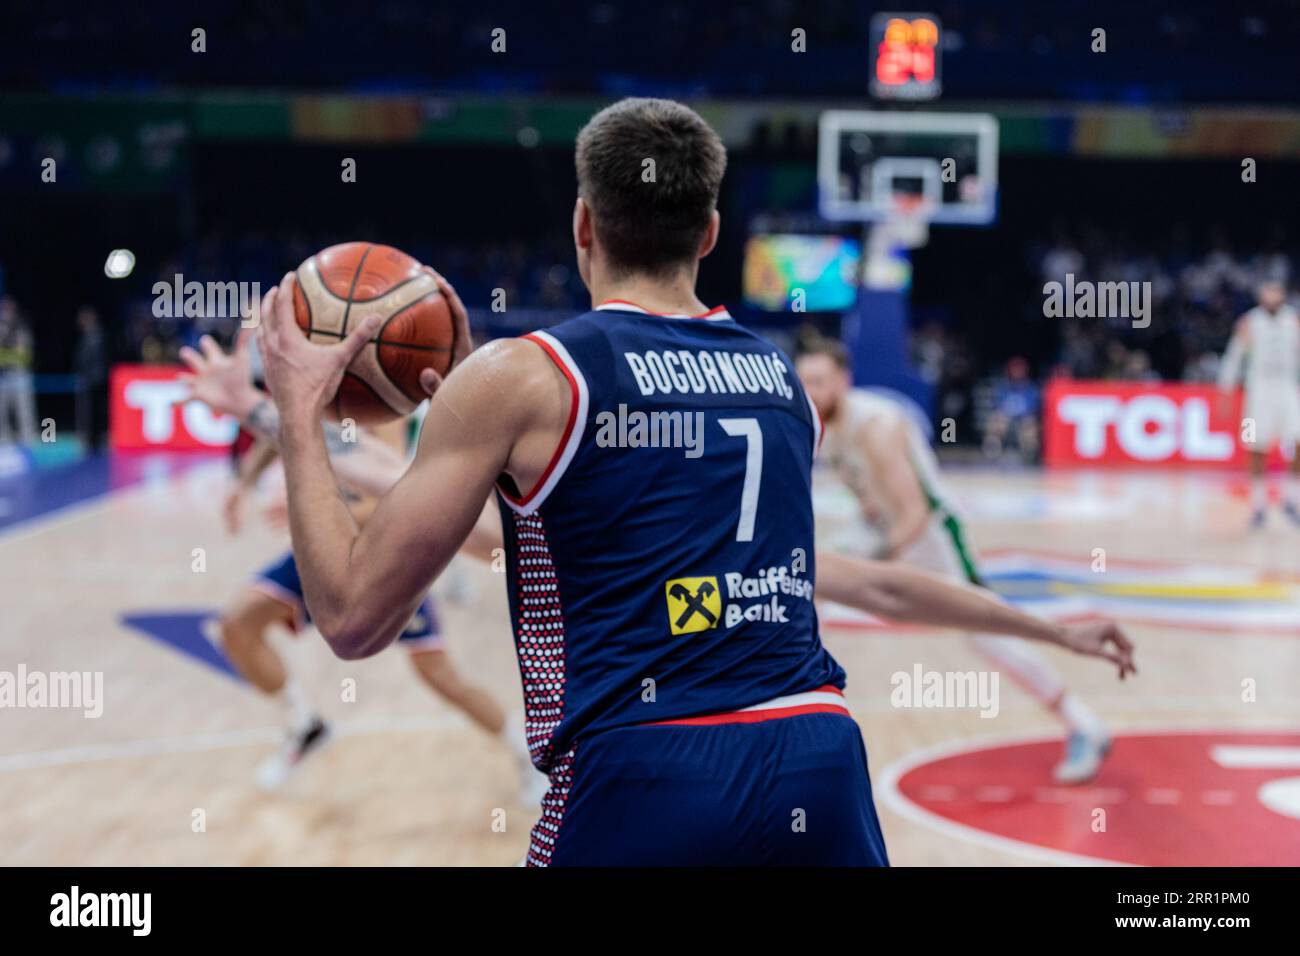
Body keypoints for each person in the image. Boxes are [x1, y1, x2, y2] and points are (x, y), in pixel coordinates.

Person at [232, 98, 1133, 866]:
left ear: (583, 224)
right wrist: (1051, 629)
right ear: (709, 233)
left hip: (647, 774)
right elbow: (870, 582)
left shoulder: (528, 378)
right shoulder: (781, 382)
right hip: (818, 760)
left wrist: (298, 417)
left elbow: (351, 619)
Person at [179, 335, 542, 802]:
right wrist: (243, 483)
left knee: (439, 676)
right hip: (327, 547)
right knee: (237, 626)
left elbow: (392, 493)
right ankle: (304, 725)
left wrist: (314, 502)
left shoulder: (384, 400)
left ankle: (523, 751)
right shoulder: (322, 393)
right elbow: (295, 428)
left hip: (384, 555)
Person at [797, 338, 1114, 785]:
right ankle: (803, 722)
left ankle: (1084, 723)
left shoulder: (877, 426)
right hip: (883, 527)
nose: (809, 390)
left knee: (985, 630)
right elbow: (869, 491)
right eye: (803, 380)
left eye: (819, 381)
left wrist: (876, 572)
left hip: (930, 533)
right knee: (806, 586)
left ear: (843, 382)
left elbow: (914, 514)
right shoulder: (822, 420)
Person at [1217, 279, 1300, 528]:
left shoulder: (1293, 320)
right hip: (1258, 391)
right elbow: (1234, 357)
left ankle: (1291, 499)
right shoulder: (1248, 322)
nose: (1273, 295)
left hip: (1287, 388)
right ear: (1261, 295)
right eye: (1268, 290)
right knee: (1255, 445)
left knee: (1297, 441)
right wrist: (1226, 390)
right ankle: (1259, 505)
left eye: (1277, 290)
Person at [0, 297, 38, 447]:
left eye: (9, 309)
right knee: (1, 413)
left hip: (20, 376)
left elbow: (24, 356)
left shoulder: (22, 328)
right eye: (4, 310)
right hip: (3, 377)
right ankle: (4, 442)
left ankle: (29, 443)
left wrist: (7, 356)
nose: (7, 313)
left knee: (25, 413)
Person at [73, 306, 108, 452]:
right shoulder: (87, 336)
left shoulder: (96, 336)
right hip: (90, 380)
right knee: (88, 413)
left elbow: (94, 360)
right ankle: (92, 441)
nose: (80, 322)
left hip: (95, 381)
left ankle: (95, 442)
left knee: (94, 413)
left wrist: (90, 377)